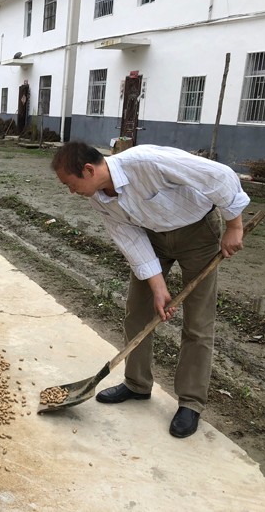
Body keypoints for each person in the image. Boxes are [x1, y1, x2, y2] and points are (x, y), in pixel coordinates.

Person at [51, 142, 250, 438]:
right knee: (138, 312)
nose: (71, 191)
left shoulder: (147, 162)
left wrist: (234, 225)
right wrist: (157, 285)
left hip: (197, 232)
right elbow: (128, 237)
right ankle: (136, 384)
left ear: (89, 170)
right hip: (152, 238)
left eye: (71, 184)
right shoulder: (98, 197)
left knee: (197, 321)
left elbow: (219, 176)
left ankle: (191, 402)